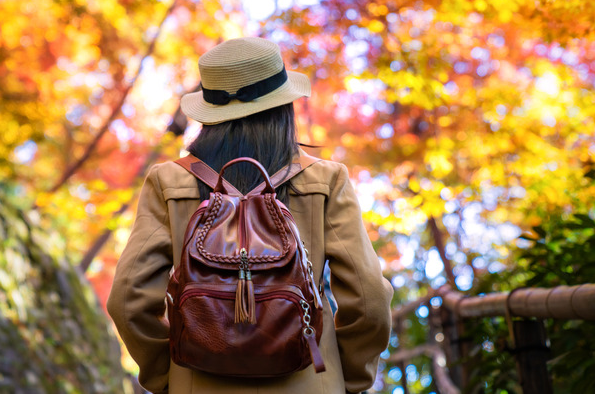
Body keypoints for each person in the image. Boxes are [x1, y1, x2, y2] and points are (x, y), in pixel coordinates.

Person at [106, 37, 393, 394]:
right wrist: (347, 379)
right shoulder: (326, 180)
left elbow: (127, 300)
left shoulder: (168, 182)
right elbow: (370, 302)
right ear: (283, 105)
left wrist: (166, 378)